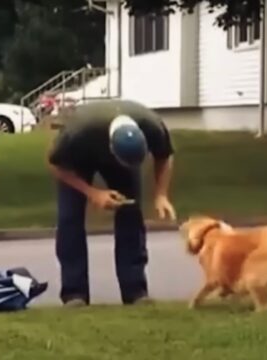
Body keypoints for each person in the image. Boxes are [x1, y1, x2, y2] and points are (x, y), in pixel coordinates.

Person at [46, 99, 176, 307]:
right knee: (70, 218)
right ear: (110, 148)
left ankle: (135, 291)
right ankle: (74, 293)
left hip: (121, 153)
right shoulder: (79, 132)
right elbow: (55, 165)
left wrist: (161, 194)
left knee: (131, 213)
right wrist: (92, 193)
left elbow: (165, 156)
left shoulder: (152, 125)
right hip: (78, 159)